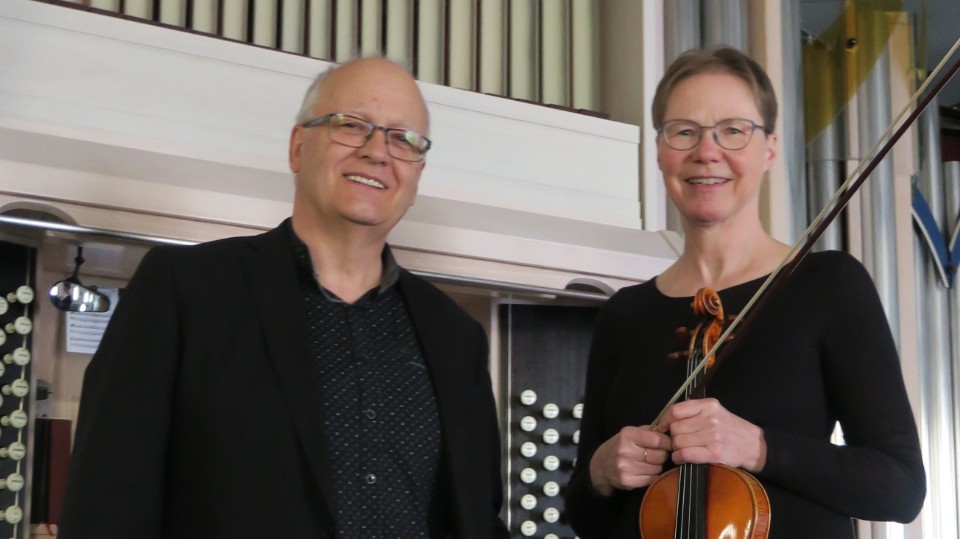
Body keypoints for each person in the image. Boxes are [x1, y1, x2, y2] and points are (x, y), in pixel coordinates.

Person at [58, 57, 509, 539]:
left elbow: (479, 519)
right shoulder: (185, 290)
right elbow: (105, 505)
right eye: (351, 125)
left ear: (417, 176)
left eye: (403, 139)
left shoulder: (457, 337)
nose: (378, 151)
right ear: (298, 147)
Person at [564, 46, 925, 538]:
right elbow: (586, 518)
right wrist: (601, 474)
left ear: (770, 147)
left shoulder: (827, 285)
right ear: (660, 150)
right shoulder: (624, 315)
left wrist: (758, 447)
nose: (706, 151)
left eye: (733, 130)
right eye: (684, 131)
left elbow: (901, 488)